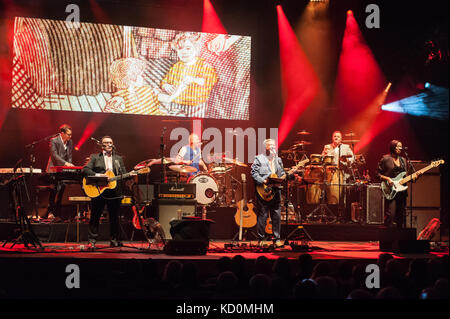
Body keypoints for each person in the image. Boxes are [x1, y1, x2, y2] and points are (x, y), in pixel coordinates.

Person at [158, 32, 218, 117]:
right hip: (176, 101)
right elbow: (164, 81)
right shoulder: (176, 66)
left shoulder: (204, 65)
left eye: (188, 48)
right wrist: (165, 85)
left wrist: (193, 79)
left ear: (196, 48)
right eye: (180, 49)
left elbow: (209, 81)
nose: (184, 52)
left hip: (196, 104)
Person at [83, 136, 127, 248]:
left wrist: (130, 175)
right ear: (101, 145)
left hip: (114, 191)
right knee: (95, 216)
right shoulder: (95, 157)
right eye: (106, 143)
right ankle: (92, 241)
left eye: (110, 142)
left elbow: (124, 172)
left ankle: (114, 240)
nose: (108, 144)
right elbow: (86, 169)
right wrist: (98, 175)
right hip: (99, 190)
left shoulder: (118, 158)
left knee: (114, 217)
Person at [251, 139, 286, 248]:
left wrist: (285, 175)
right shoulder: (259, 159)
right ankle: (261, 239)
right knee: (263, 215)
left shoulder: (278, 159)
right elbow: (253, 173)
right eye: (270, 145)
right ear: (265, 147)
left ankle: (277, 239)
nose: (272, 147)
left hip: (276, 191)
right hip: (263, 191)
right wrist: (263, 181)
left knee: (276, 215)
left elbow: (282, 173)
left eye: (274, 145)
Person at [377, 140, 413, 228]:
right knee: (391, 214)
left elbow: (405, 176)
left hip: (401, 191)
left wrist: (413, 177)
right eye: (398, 146)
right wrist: (387, 178)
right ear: (393, 147)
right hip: (391, 190)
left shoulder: (403, 160)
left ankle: (399, 239)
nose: (400, 148)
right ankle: (387, 237)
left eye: (401, 146)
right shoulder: (385, 159)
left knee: (401, 215)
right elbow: (377, 174)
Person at [45, 124, 74, 220]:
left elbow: (69, 156)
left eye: (71, 135)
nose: (70, 137)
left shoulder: (70, 142)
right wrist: (66, 163)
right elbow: (54, 156)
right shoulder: (54, 140)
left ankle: (58, 213)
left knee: (62, 190)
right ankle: (50, 212)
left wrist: (70, 166)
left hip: (62, 169)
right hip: (53, 169)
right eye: (68, 135)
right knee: (54, 190)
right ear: (62, 133)